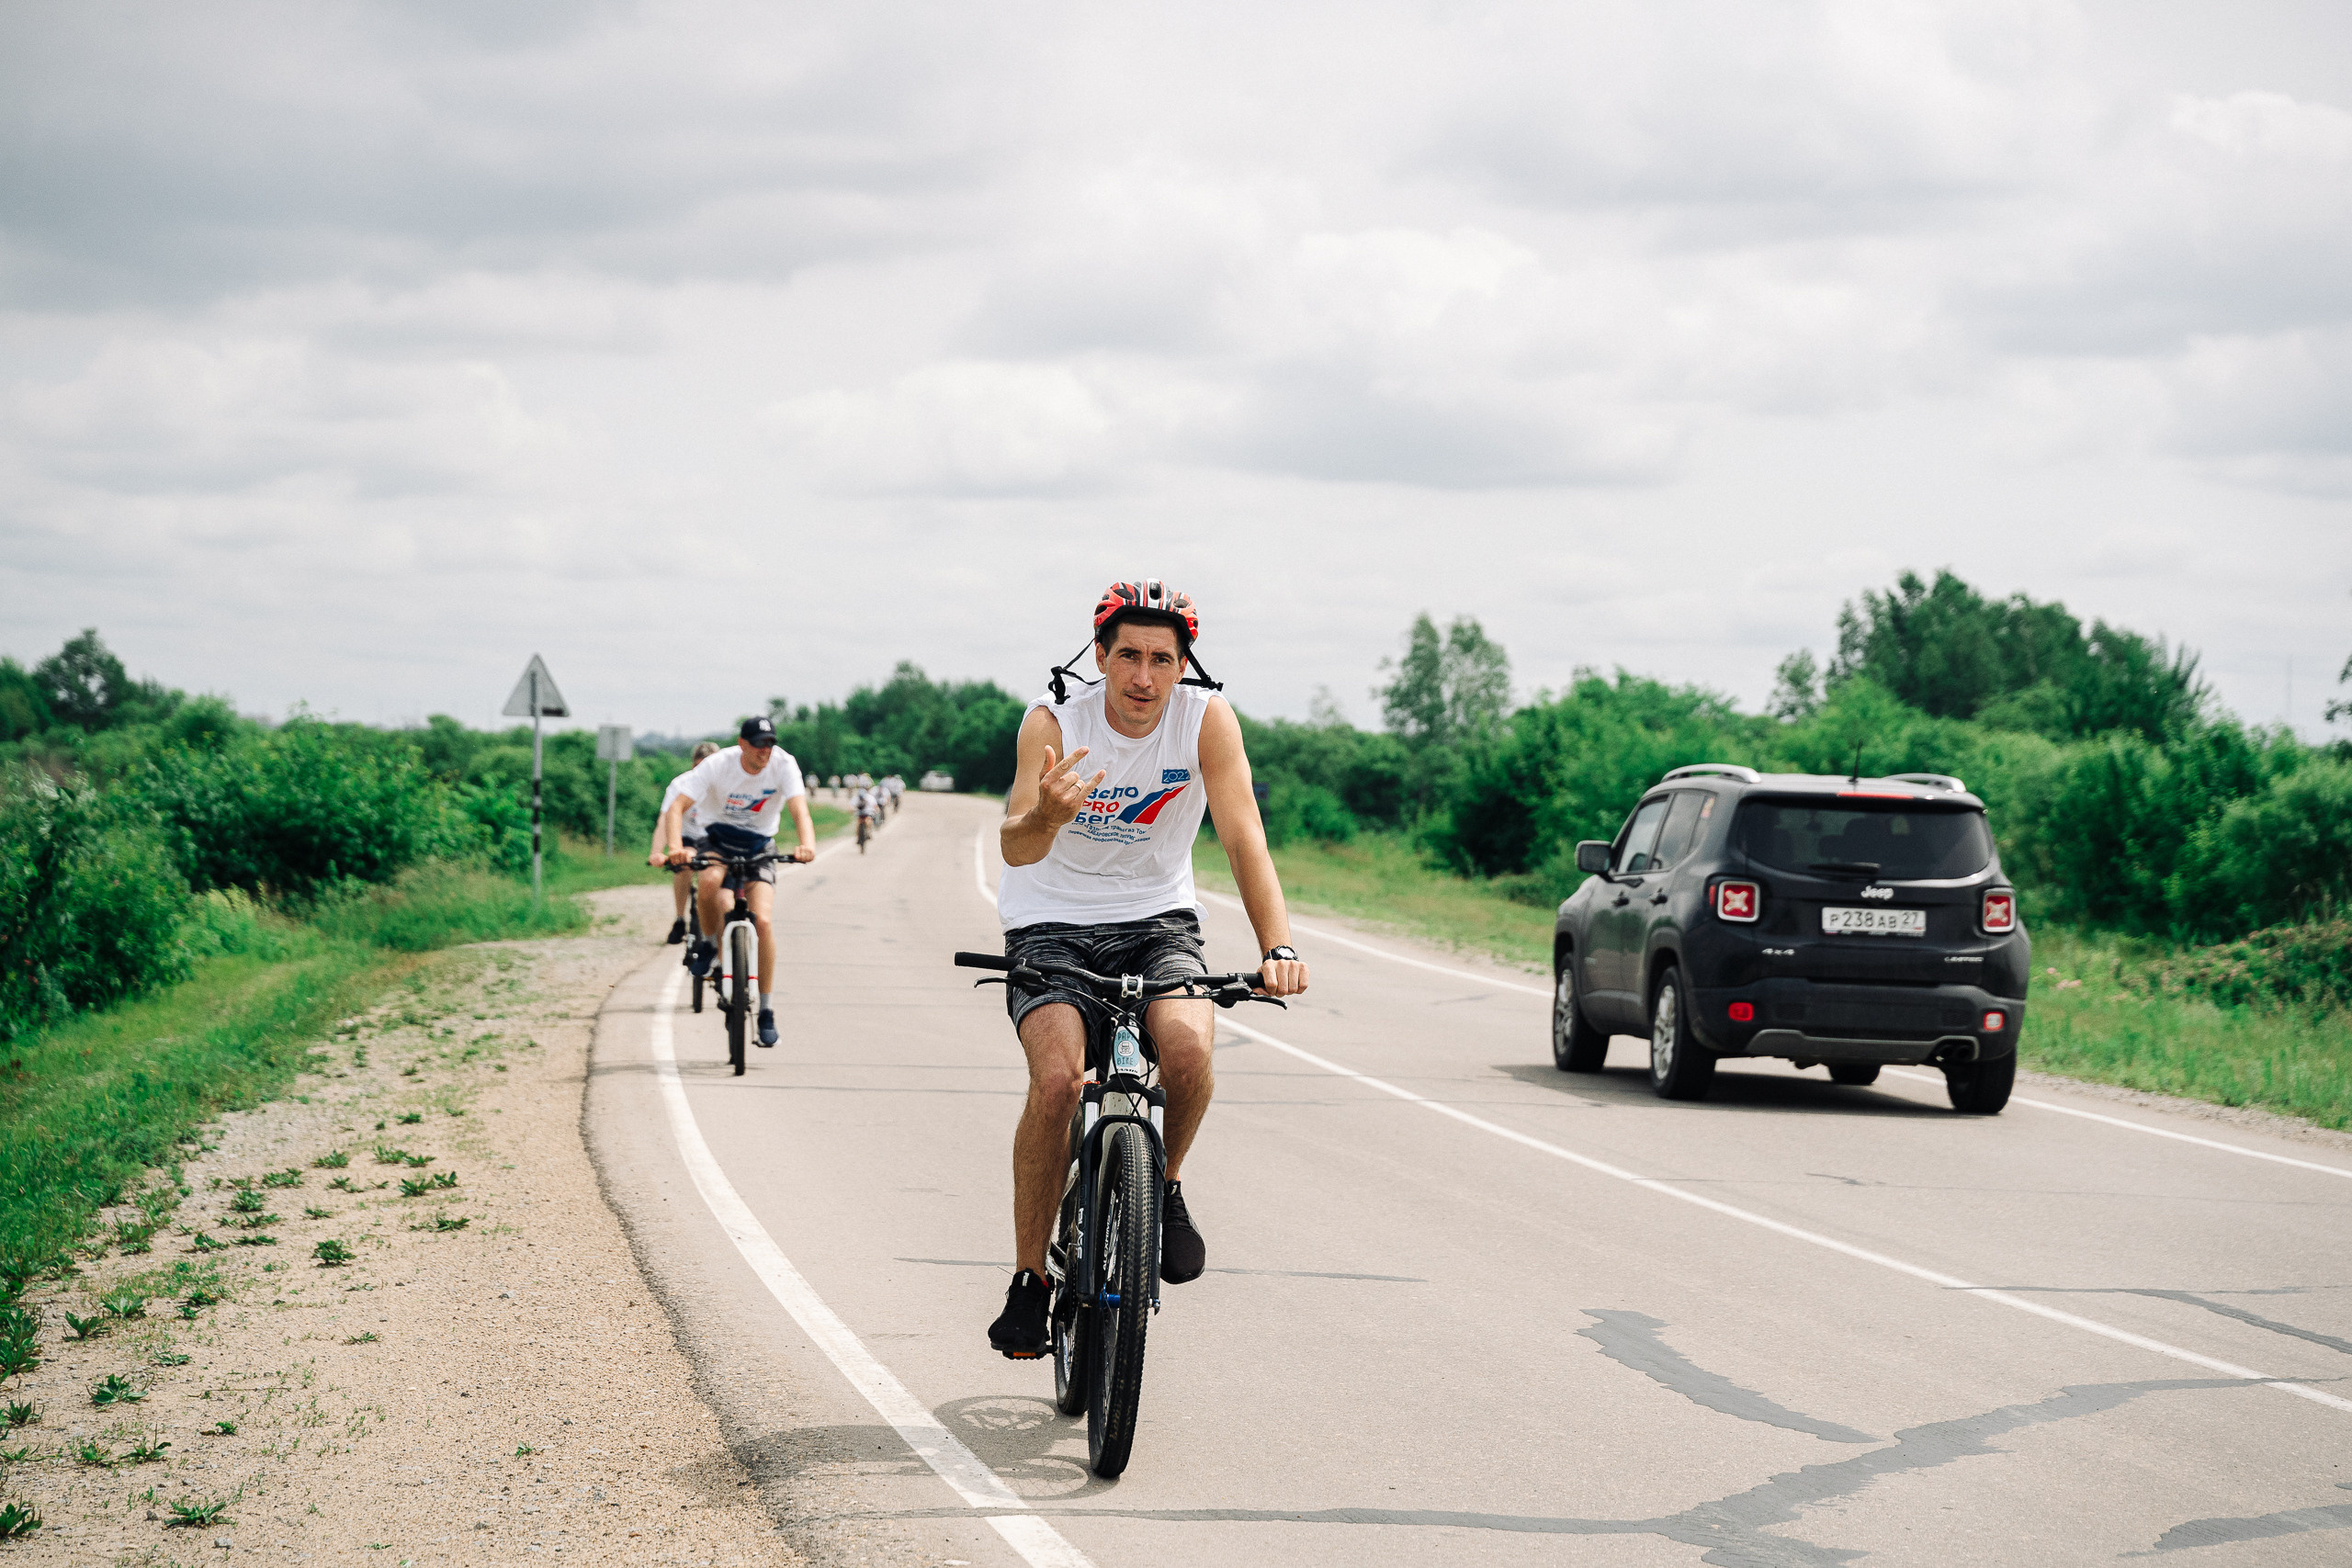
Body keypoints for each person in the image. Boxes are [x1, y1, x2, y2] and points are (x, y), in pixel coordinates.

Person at [986, 580, 1309, 1359]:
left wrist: (1279, 946)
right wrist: (1048, 816)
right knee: (1061, 1080)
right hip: (1051, 920)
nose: (1143, 675)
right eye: (1127, 654)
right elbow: (1015, 845)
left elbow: (1243, 839)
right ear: (1100, 656)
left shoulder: (1207, 720)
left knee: (1191, 1050)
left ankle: (1161, 1187)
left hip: (1158, 919)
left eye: (1162, 659)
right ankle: (1030, 1279)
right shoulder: (1054, 720)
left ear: (1182, 665)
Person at [660, 717, 817, 1048]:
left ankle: (767, 1011)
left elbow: (799, 810)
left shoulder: (784, 764)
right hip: (718, 839)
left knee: (762, 919)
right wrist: (675, 848)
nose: (765, 751)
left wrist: (807, 844)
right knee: (709, 882)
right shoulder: (719, 764)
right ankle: (710, 944)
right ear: (742, 743)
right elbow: (677, 808)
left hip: (760, 845)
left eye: (770, 743)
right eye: (759, 744)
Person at [647, 740, 721, 943]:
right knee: (682, 864)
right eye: (700, 767)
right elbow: (664, 819)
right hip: (689, 837)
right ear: (693, 766)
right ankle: (680, 918)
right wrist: (657, 851)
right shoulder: (681, 784)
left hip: (715, 838)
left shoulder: (724, 783)